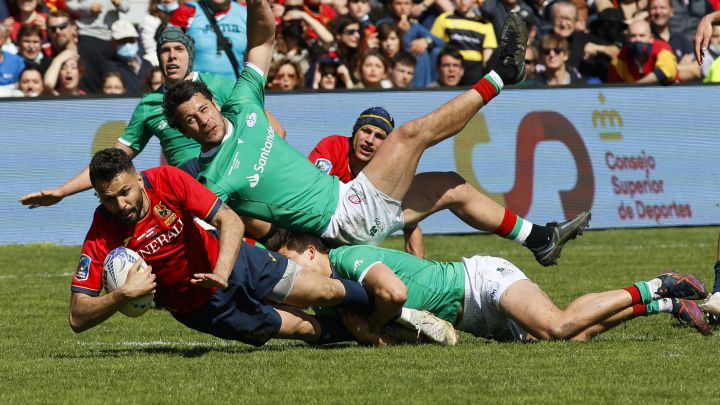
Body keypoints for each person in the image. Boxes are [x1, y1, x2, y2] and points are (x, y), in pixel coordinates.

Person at [164, 11, 591, 267]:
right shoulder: (211, 176)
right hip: (340, 221)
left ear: (215, 104)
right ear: (184, 131)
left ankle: (540, 239)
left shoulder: (243, 103)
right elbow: (212, 226)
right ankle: (501, 76)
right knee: (411, 135)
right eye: (190, 121)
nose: (201, 121)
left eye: (203, 109)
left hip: (354, 208)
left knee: (449, 185)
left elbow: (263, 39)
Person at [70, 148, 455, 346]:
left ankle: (405, 315)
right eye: (108, 198)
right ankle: (368, 332)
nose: (120, 204)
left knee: (325, 289)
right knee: (308, 330)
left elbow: (230, 220)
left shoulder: (167, 179)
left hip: (236, 263)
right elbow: (77, 316)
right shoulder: (101, 231)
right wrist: (122, 294)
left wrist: (222, 270)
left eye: (124, 192)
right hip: (203, 309)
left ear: (138, 178)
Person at [19, 27, 285, 241]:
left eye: (178, 49)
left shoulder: (219, 86)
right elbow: (115, 159)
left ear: (189, 55)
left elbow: (275, 130)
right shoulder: (149, 104)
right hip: (188, 186)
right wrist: (62, 191)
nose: (172, 56)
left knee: (266, 237)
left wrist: (253, 168)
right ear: (158, 58)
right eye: (165, 50)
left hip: (230, 171)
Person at [268, 229, 712, 346]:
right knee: (574, 336)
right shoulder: (330, 297)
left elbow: (394, 295)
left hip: (479, 282)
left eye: (292, 265)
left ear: (310, 249)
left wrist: (371, 330)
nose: (296, 280)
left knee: (557, 326)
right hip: (474, 318)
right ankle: (665, 305)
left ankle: (660, 282)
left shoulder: (348, 257)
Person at [309, 107, 426, 258]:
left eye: (379, 136)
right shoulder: (332, 146)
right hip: (314, 231)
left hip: (352, 245)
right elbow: (310, 194)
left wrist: (417, 269)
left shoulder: (389, 172)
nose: (369, 140)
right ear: (355, 132)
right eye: (366, 131)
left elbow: (412, 225)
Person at [169, 0, 248, 80]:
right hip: (196, 88)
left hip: (235, 87)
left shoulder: (246, 13)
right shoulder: (187, 10)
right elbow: (167, 49)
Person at [66, 0, 129, 93]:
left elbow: (127, 7)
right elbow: (69, 4)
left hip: (110, 38)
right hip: (88, 35)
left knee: (109, 81)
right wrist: (88, 9)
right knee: (88, 79)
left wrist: (119, 3)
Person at [430, 0, 497, 84]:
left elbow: (487, 56)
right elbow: (434, 41)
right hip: (452, 64)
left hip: (474, 68)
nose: (462, 2)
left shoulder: (485, 24)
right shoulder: (444, 18)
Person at [607, 19, 677, 84]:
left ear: (651, 38)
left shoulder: (662, 48)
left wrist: (637, 87)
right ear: (627, 38)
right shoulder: (619, 59)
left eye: (642, 36)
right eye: (633, 36)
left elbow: (666, 71)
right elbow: (614, 86)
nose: (637, 39)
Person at [649, 0, 700, 81]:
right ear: (648, 11)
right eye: (654, 8)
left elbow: (697, 68)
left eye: (662, 8)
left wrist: (665, 69)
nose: (658, 12)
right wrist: (681, 67)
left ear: (671, 12)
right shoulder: (646, 39)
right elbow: (648, 73)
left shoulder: (680, 38)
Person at [103, 20, 152, 97]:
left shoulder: (147, 64)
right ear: (113, 42)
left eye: (131, 40)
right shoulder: (110, 67)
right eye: (122, 41)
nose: (127, 44)